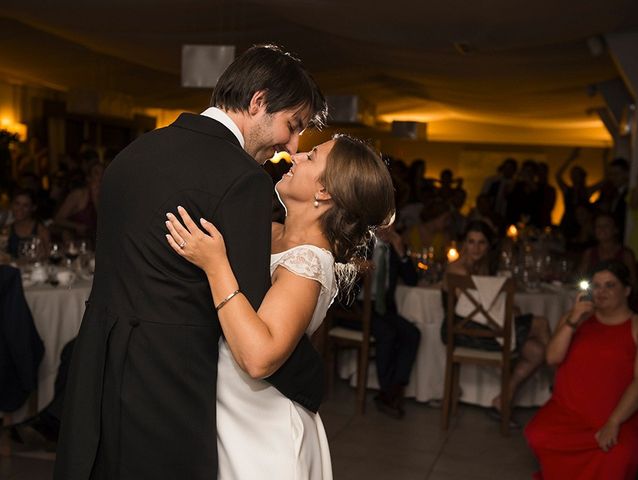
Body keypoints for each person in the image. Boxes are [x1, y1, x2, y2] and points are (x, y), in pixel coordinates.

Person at [54, 44, 328, 480]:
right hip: (169, 383)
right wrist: (313, 383)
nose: (290, 146)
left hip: (98, 365)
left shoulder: (133, 154)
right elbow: (251, 315)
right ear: (258, 102)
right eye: (291, 126)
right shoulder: (243, 180)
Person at [165, 135, 395, 478]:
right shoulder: (267, 230)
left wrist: (216, 266)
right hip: (226, 409)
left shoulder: (308, 263)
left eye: (312, 156)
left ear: (324, 191)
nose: (297, 155)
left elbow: (259, 358)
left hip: (262, 431)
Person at [526, 260, 638, 479]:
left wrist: (613, 422)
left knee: (618, 455)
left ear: (626, 290)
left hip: (617, 415)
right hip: (570, 412)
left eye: (610, 285)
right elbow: (552, 357)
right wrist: (573, 320)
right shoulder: (575, 319)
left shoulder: (636, 326)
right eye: (596, 285)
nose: (601, 292)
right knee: (538, 434)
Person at [443, 221, 551, 425]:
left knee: (537, 351)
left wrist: (509, 309)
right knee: (541, 324)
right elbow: (474, 309)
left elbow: (488, 306)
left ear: (488, 246)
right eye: (471, 242)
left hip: (484, 326)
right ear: (463, 244)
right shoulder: (457, 269)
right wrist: (509, 310)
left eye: (481, 243)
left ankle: (503, 399)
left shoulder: (482, 268)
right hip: (464, 331)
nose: (475, 248)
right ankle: (558, 387)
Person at [369, 223, 421, 418]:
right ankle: (387, 392)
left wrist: (401, 251)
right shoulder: (361, 243)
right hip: (358, 309)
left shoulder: (392, 248)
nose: (386, 229)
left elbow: (412, 280)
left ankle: (393, 390)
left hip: (384, 309)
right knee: (387, 334)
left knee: (412, 334)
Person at [579, 212, 637, 287]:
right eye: (598, 226)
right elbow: (580, 278)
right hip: (594, 294)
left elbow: (633, 283)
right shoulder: (589, 253)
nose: (601, 229)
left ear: (615, 229)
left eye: (606, 226)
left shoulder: (626, 254)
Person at [53, 160, 104, 242]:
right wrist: (76, 226)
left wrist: (96, 199)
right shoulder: (79, 194)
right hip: (76, 242)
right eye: (97, 173)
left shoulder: (107, 196)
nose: (101, 176)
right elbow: (58, 219)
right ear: (88, 178)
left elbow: (103, 223)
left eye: (103, 173)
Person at [5, 189, 50, 260]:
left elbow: (47, 258)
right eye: (17, 204)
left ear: (33, 208)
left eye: (25, 205)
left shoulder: (41, 230)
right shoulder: (7, 229)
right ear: (12, 205)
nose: (20, 208)